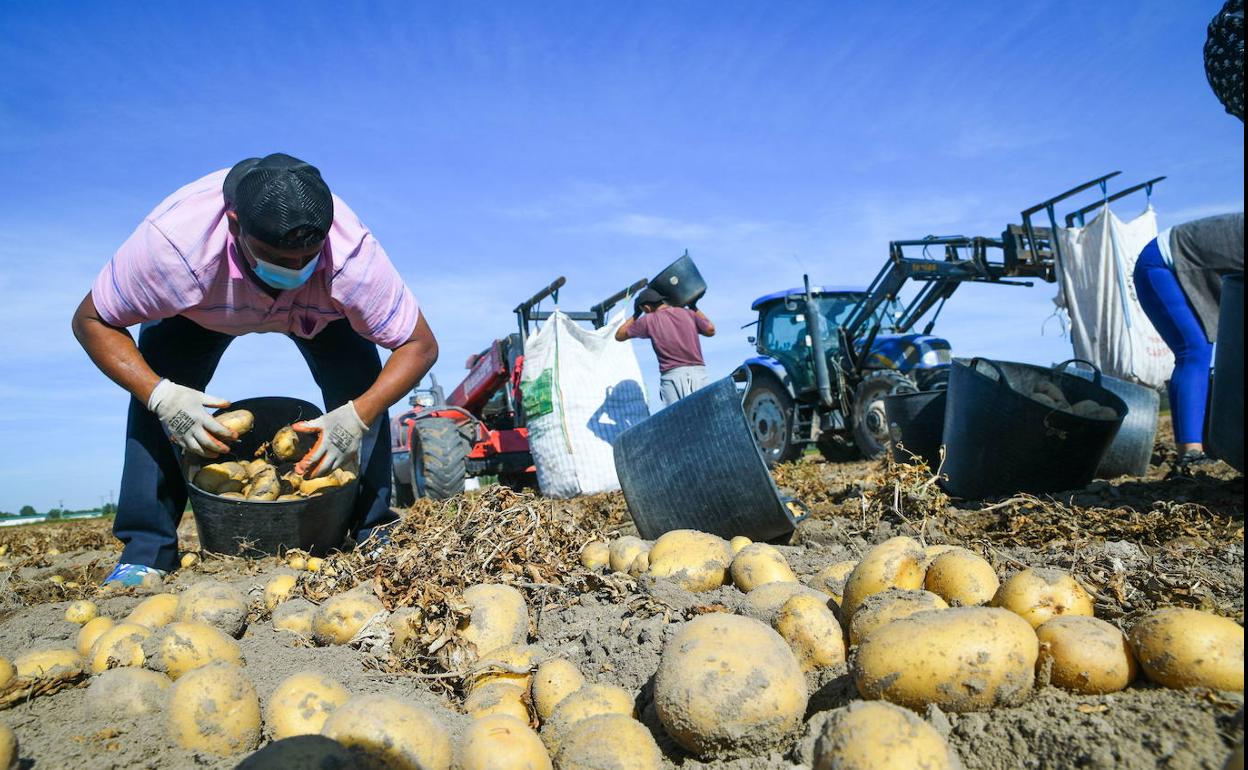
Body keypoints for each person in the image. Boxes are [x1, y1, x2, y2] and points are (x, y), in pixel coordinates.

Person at [71, 153, 439, 586]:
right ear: (234, 225)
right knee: (157, 392)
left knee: (363, 391)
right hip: (199, 313)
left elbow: (420, 345)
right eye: (275, 257)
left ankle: (372, 530)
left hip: (322, 313)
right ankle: (146, 551)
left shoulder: (351, 259)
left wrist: (357, 416)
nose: (294, 270)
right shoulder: (174, 250)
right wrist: (161, 395)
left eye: (307, 257)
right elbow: (91, 320)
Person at [1132, 212, 1243, 466]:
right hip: (1161, 262)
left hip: (1186, 267)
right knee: (1194, 349)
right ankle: (1191, 454)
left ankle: (1208, 444)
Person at [615, 287, 715, 406]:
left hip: (673, 376)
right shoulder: (688, 313)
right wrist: (693, 307)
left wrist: (636, 314)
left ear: (646, 307)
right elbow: (710, 330)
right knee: (706, 412)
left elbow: (619, 335)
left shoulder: (648, 320)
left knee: (677, 416)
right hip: (699, 373)